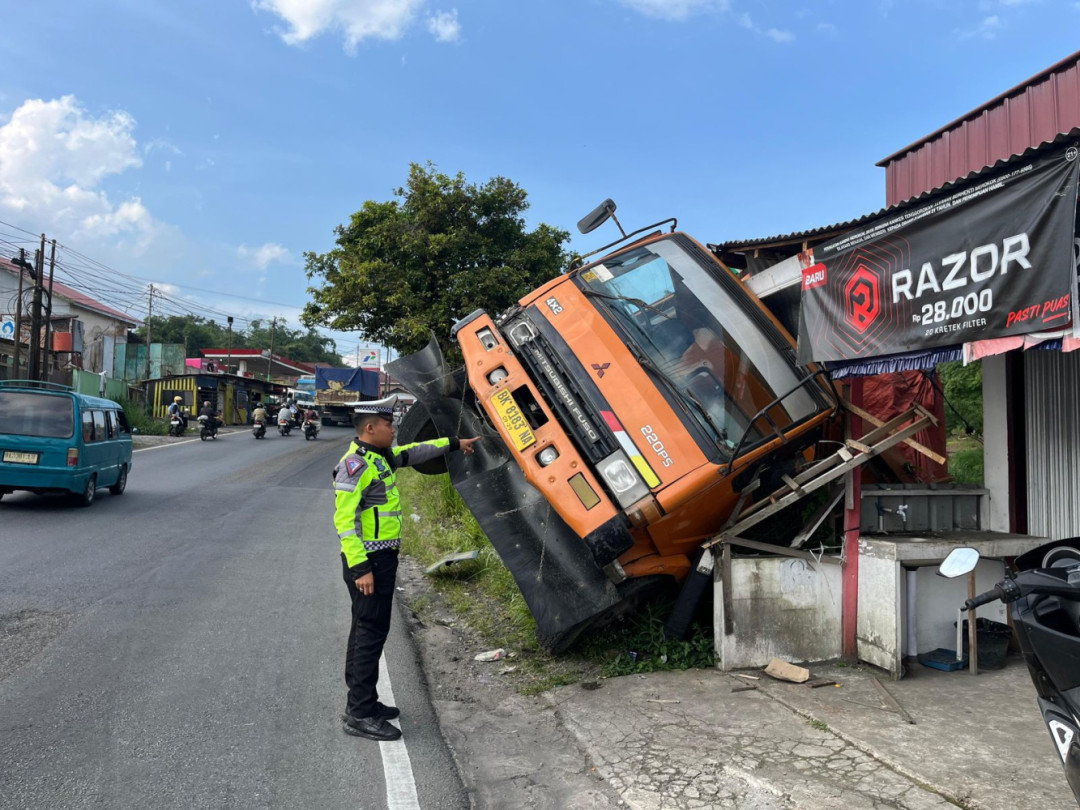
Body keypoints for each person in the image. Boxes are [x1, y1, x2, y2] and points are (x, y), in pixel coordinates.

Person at [333, 394, 480, 741]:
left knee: (366, 631)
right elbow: (344, 521)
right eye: (389, 424)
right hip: (368, 562)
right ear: (370, 428)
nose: (394, 428)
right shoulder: (355, 465)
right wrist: (360, 568)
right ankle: (359, 713)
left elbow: (415, 453)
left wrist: (455, 443)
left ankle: (364, 700)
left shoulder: (379, 456)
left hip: (381, 559)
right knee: (370, 634)